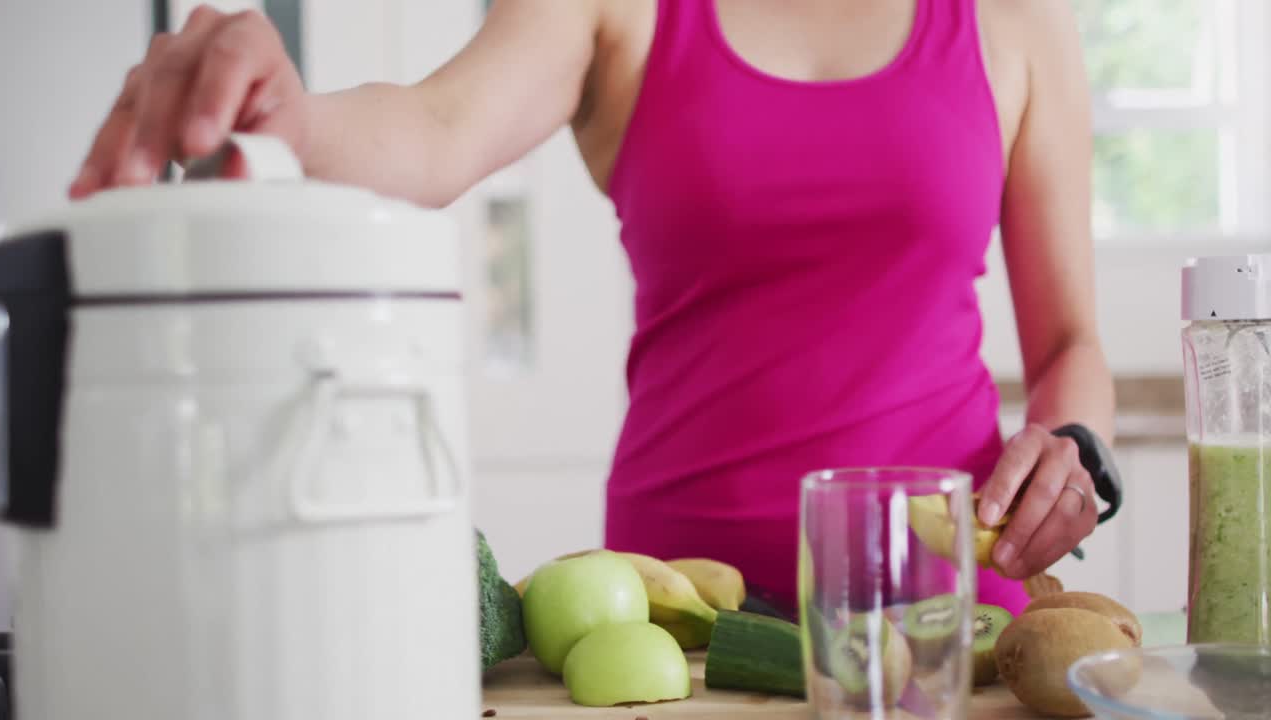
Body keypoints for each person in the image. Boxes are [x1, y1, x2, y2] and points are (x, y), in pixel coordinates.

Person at [68, 0, 1115, 616]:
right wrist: (288, 122)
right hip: (672, 620)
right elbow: (433, 127)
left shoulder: (1014, 19)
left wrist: (1074, 451)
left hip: (948, 617)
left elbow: (1068, 339)